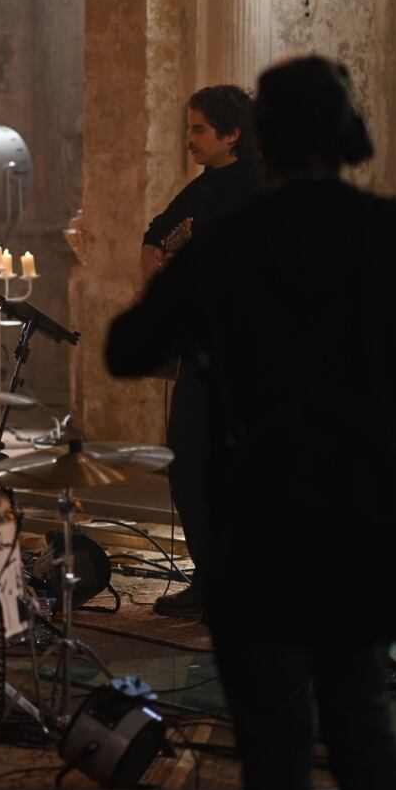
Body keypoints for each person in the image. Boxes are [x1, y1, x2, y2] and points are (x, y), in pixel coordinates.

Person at [107, 57, 396, 790]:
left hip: (261, 508)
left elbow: (128, 349)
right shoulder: (386, 232)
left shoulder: (231, 240)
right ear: (348, 137)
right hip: (362, 511)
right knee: (363, 722)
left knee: (272, 742)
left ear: (260, 135)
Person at [138, 84, 264, 617]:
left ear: (231, 134)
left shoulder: (261, 185)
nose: (189, 139)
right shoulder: (205, 186)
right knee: (188, 460)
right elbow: (156, 233)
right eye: (189, 128)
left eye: (199, 129)